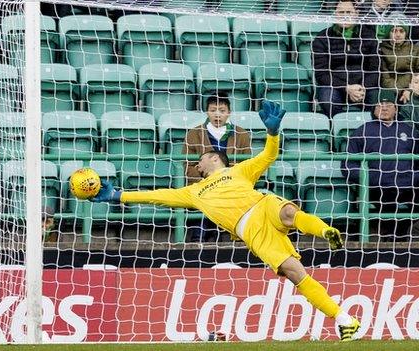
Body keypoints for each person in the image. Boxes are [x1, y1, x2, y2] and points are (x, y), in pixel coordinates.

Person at [90, 100, 362, 342]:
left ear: (213, 158)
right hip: (251, 231)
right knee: (294, 272)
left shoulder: (239, 170)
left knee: (289, 213)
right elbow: (157, 196)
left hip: (262, 205)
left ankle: (326, 231)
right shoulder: (193, 192)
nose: (196, 166)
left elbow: (268, 156)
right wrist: (118, 195)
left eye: (199, 161)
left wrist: (272, 133)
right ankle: (344, 320)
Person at [342, 89, 419, 238]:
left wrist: (414, 177)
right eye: (379, 104)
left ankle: (409, 233)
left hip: (408, 185)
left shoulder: (409, 131)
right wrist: (370, 178)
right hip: (378, 188)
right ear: (373, 109)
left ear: (396, 108)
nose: (383, 107)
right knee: (387, 209)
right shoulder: (362, 131)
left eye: (388, 104)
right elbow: (348, 165)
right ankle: (391, 236)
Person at [313, 0, 380, 118]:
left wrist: (362, 87)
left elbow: (375, 69)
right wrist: (346, 88)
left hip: (363, 87)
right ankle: (339, 128)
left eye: (349, 12)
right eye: (341, 12)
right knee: (327, 99)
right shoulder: (322, 38)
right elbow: (321, 74)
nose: (345, 15)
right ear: (334, 14)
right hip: (336, 86)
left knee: (378, 99)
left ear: (357, 13)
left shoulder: (368, 36)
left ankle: (370, 130)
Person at [182, 93, 251, 184]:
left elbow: (247, 163)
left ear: (229, 113)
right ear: (207, 112)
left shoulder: (242, 134)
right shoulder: (193, 134)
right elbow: (188, 166)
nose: (217, 115)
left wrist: (228, 179)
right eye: (213, 110)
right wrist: (208, 180)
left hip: (233, 184)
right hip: (203, 186)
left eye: (222, 111)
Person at [379, 20, 419, 101]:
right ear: (388, 33)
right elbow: (385, 79)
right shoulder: (381, 50)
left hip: (413, 88)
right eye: (394, 31)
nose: (398, 35)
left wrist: (410, 90)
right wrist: (402, 91)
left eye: (401, 31)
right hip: (391, 90)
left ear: (406, 33)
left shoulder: (415, 49)